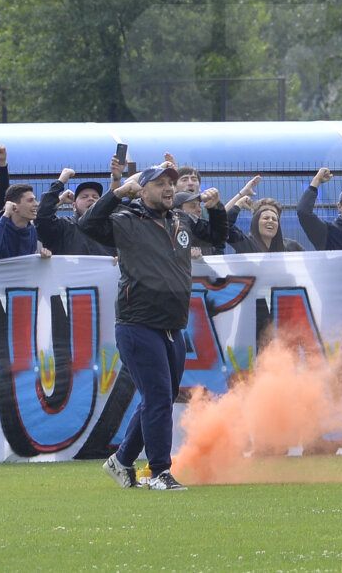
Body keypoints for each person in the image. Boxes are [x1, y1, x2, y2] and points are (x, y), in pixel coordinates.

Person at [79, 163, 229, 491]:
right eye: (159, 183)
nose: (168, 188)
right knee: (159, 397)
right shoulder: (126, 220)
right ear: (142, 189)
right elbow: (87, 224)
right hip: (137, 324)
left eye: (170, 184)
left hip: (173, 326)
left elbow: (219, 237)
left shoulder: (181, 219)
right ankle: (159, 471)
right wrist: (118, 192)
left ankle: (121, 461)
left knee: (158, 397)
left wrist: (216, 209)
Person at [36, 159, 124, 256]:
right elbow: (42, 218)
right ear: (74, 206)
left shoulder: (109, 229)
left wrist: (120, 259)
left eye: (95, 197)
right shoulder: (63, 227)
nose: (91, 199)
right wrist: (60, 183)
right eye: (84, 197)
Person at [0, 184, 53, 261]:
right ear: (14, 206)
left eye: (35, 200)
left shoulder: (32, 231)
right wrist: (6, 215)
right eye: (30, 200)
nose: (36, 204)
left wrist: (43, 256)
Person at [228, 197, 305, 253]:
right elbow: (225, 226)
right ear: (255, 220)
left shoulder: (291, 247)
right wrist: (239, 204)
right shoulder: (244, 244)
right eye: (265, 217)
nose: (270, 221)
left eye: (274, 218)